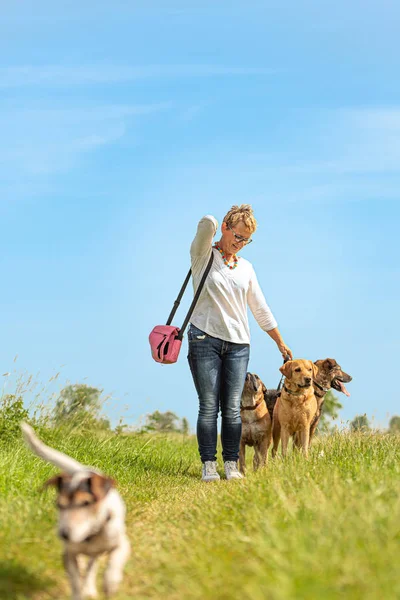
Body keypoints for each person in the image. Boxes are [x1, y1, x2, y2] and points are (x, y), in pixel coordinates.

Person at [188, 205, 292, 481]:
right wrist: (218, 228)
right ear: (224, 227)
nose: (240, 243)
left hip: (238, 344)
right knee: (209, 405)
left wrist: (280, 344)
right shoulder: (202, 256)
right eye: (237, 236)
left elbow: (260, 309)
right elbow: (205, 223)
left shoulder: (246, 268)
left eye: (246, 240)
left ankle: (231, 464)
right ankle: (208, 464)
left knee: (233, 407)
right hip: (204, 338)